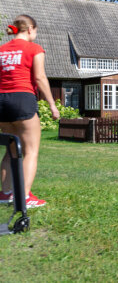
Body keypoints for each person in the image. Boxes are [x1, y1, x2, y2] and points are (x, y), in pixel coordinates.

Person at [0, 15, 60, 208]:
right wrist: (52, 104)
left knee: (10, 151)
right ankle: (23, 197)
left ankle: (6, 193)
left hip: (1, 101)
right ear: (31, 28)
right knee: (30, 151)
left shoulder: (1, 50)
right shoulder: (34, 49)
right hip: (22, 99)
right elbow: (40, 78)